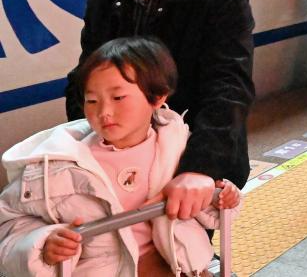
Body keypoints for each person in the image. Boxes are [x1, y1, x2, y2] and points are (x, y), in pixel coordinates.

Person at [66, 0, 254, 219]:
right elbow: (84, 81)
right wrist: (85, 150)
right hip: (113, 161)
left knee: (180, 248)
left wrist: (200, 167)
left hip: (186, 163)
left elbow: (229, 87)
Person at [2, 37, 241, 276]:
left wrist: (221, 198)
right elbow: (9, 224)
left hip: (181, 267)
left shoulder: (179, 147)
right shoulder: (55, 167)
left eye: (118, 98)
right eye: (92, 100)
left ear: (158, 97)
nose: (104, 112)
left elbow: (202, 210)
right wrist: (43, 243)